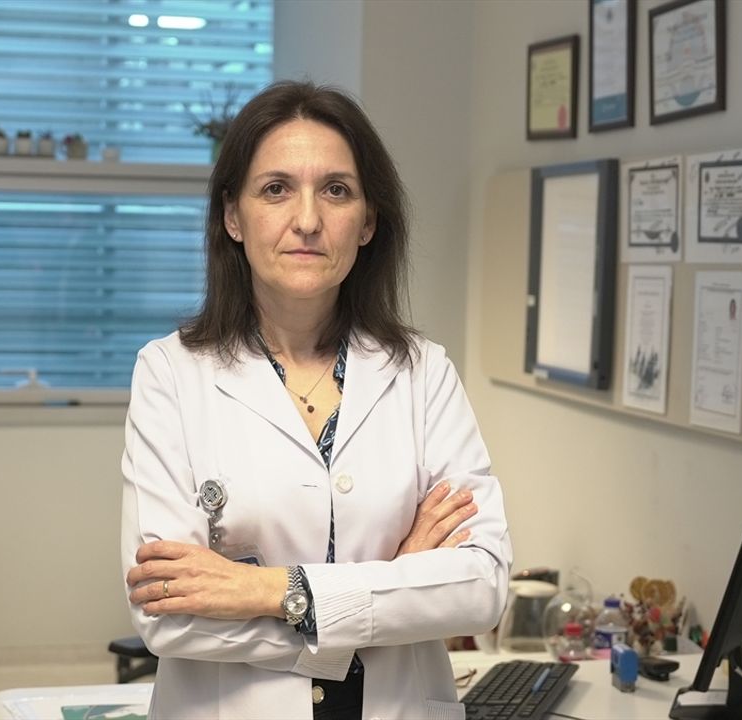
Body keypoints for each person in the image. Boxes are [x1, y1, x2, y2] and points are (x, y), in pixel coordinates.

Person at [121, 80, 512, 720]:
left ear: (368, 222)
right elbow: (167, 613)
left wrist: (267, 589)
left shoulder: (423, 372)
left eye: (336, 190)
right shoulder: (171, 373)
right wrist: (397, 585)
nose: (307, 220)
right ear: (233, 217)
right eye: (276, 189)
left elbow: (481, 586)